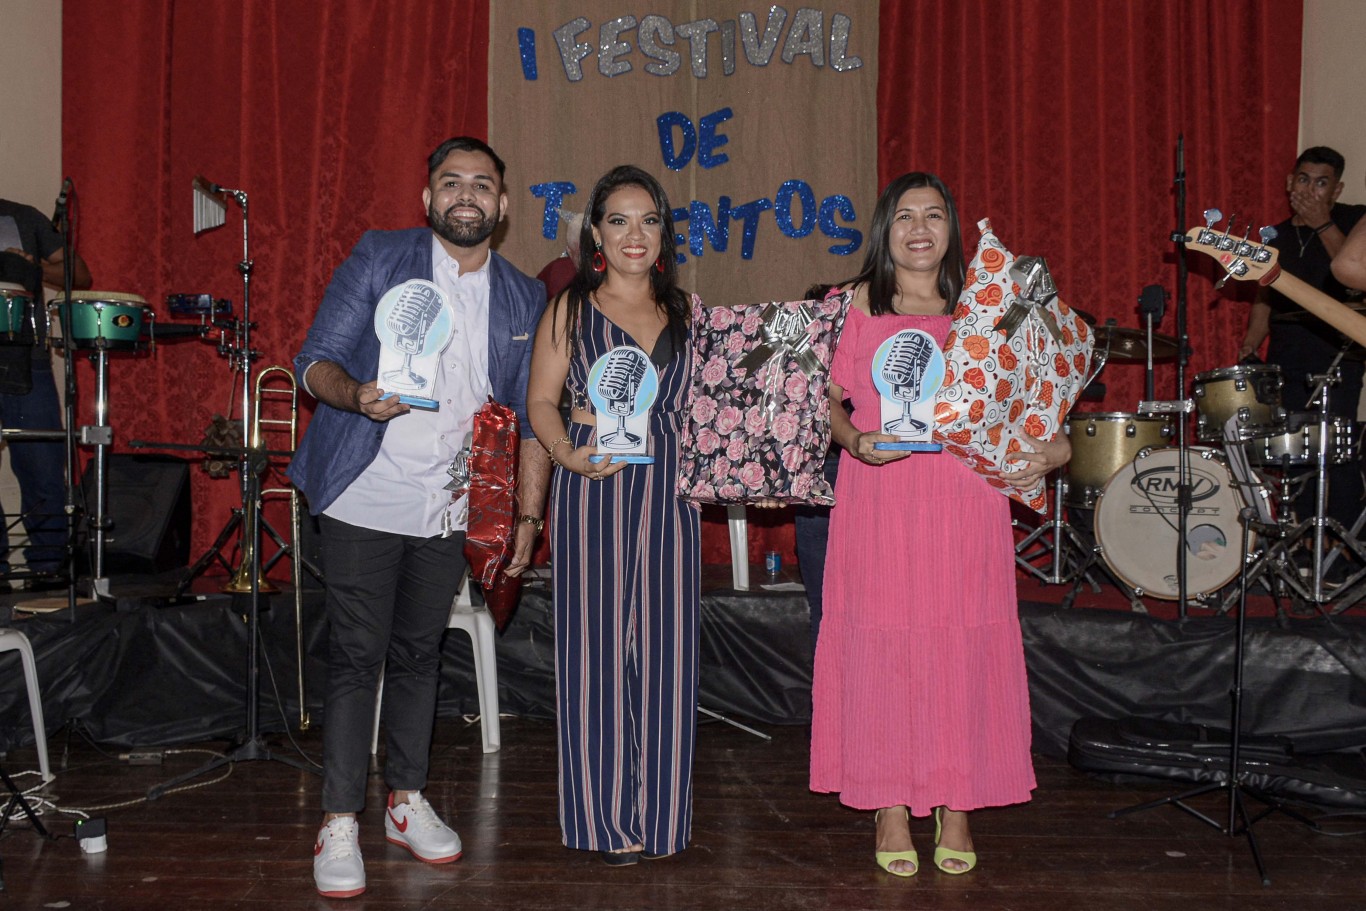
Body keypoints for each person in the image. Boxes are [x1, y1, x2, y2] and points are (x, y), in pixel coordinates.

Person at [288, 136, 549, 899]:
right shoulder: (380, 255)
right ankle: (339, 817)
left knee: (419, 655)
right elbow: (315, 360)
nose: (465, 195)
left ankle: (404, 799)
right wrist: (356, 393)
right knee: (357, 654)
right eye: (450, 182)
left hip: (448, 505)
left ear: (502, 206)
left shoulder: (523, 295)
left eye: (482, 185)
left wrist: (526, 517)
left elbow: (530, 414)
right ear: (427, 199)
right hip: (364, 492)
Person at [809, 172, 1070, 878]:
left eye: (933, 215)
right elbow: (821, 404)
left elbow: (1051, 427)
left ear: (953, 230)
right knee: (881, 646)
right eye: (903, 215)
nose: (918, 227)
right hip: (879, 499)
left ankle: (959, 801)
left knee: (961, 647)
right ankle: (889, 801)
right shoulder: (847, 306)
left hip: (966, 506)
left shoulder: (990, 312)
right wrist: (854, 440)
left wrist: (1042, 456)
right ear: (882, 229)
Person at [526, 165, 700, 865]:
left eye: (649, 220)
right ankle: (603, 819)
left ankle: (661, 819)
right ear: (596, 233)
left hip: (672, 495)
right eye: (620, 221)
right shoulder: (569, 308)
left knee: (668, 658)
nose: (636, 235)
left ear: (664, 233)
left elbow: (711, 408)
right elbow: (539, 402)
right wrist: (566, 452)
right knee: (595, 656)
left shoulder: (689, 310)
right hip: (593, 487)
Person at [1237, 146, 1366, 546]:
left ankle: (1341, 550)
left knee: (1334, 455)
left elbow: (1353, 273)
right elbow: (1265, 298)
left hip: (1337, 356)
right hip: (1285, 357)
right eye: (1304, 179)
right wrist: (1249, 345)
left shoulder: (1351, 219)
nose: (1311, 189)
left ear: (1337, 188)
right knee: (1291, 456)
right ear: (1290, 182)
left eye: (1322, 182)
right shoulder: (1274, 235)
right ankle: (1299, 544)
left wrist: (1323, 224)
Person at [0, 197, 92, 586]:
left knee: (42, 468)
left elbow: (80, 274)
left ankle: (48, 569)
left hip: (28, 359)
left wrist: (33, 265)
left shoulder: (23, 217)